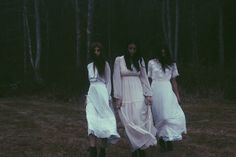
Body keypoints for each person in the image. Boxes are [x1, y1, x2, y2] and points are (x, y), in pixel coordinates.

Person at [113, 41, 157, 157]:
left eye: (134, 49)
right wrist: (118, 97)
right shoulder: (119, 60)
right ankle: (134, 148)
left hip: (138, 93)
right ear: (126, 48)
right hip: (125, 93)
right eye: (130, 48)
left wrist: (148, 94)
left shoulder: (140, 60)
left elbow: (144, 78)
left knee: (138, 119)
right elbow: (116, 79)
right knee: (129, 121)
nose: (132, 51)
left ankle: (141, 147)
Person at [147, 46, 187, 152]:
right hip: (155, 90)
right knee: (158, 117)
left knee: (167, 116)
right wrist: (147, 94)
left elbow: (174, 81)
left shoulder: (172, 64)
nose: (163, 54)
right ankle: (162, 140)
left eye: (165, 52)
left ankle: (168, 139)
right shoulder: (151, 63)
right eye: (161, 52)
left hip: (167, 90)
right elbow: (148, 79)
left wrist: (177, 95)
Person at [86, 42, 120, 157]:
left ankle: (103, 150)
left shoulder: (105, 65)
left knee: (104, 123)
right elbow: (90, 83)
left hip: (103, 94)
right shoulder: (89, 66)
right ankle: (92, 150)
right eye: (94, 51)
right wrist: (87, 97)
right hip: (92, 95)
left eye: (98, 50)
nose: (96, 53)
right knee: (91, 121)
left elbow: (109, 82)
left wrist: (109, 97)